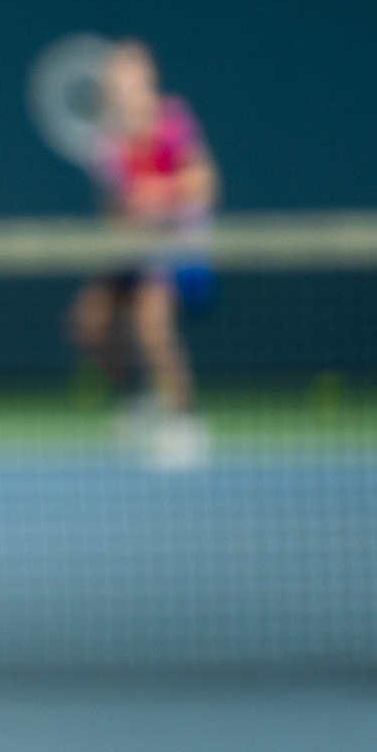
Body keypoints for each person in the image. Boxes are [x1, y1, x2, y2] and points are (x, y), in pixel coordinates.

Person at [68, 38, 220, 472]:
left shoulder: (174, 121)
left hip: (182, 248)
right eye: (117, 78)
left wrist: (156, 193)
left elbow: (205, 183)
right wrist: (130, 217)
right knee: (87, 324)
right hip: (136, 250)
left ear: (148, 79)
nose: (125, 85)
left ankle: (187, 422)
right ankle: (134, 402)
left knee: (150, 321)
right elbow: (116, 215)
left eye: (132, 75)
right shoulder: (107, 146)